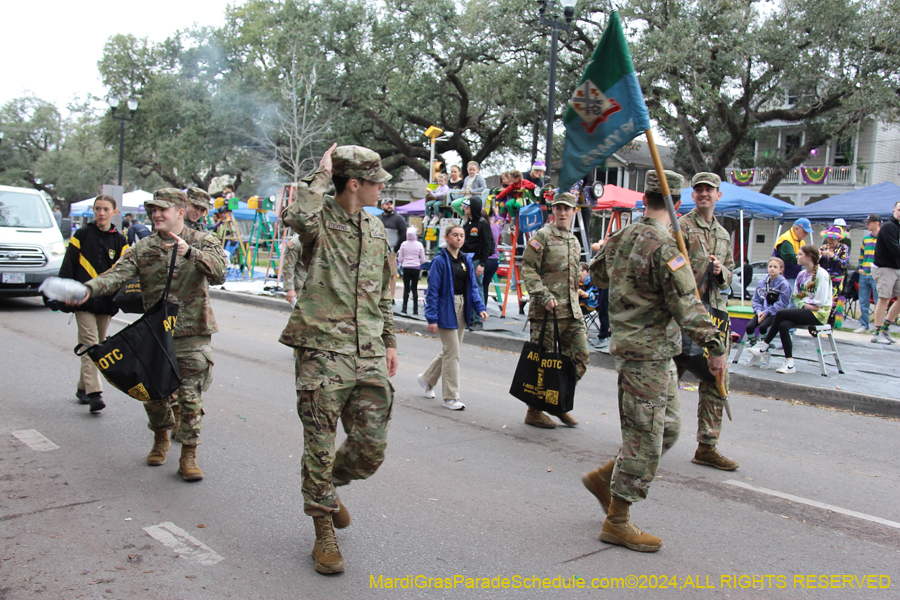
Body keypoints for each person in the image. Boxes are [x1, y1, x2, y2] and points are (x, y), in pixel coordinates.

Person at [582, 170, 726, 553]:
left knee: (669, 429)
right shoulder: (665, 246)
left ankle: (606, 480)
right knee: (645, 439)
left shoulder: (621, 237)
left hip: (657, 354)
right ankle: (617, 520)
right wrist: (715, 347)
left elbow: (597, 275)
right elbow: (688, 306)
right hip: (643, 354)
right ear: (677, 204)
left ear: (645, 199)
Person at [278, 144, 397, 575]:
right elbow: (298, 217)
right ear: (353, 183)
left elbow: (383, 290)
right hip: (322, 350)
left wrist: (389, 340)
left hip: (366, 351)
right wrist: (320, 174)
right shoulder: (320, 220)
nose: (382, 187)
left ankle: (327, 486)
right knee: (320, 444)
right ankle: (323, 531)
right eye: (376, 181)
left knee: (370, 448)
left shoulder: (377, 227)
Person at [72, 188, 228, 481]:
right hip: (157, 333)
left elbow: (221, 273)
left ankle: (189, 454)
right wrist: (87, 290)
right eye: (152, 210)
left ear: (180, 213)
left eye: (162, 210)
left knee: (190, 397)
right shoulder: (143, 248)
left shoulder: (203, 241)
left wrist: (191, 254)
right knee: (153, 394)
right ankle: (160, 437)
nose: (155, 215)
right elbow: (116, 276)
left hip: (193, 332)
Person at [677, 172, 738, 471]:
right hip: (684, 314)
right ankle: (644, 436)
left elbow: (730, 274)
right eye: (699, 190)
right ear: (693, 195)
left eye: (709, 190)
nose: (704, 194)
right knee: (665, 377)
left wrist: (719, 272)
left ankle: (707, 446)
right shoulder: (682, 227)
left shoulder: (724, 235)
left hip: (714, 315)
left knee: (716, 377)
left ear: (718, 195)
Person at [520, 192, 588, 429]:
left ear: (574, 212)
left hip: (571, 312)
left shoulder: (574, 239)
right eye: (558, 208)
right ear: (553, 210)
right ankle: (534, 410)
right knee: (544, 364)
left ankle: (558, 402)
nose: (562, 213)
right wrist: (543, 294)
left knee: (579, 359)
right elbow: (527, 266)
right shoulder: (543, 235)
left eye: (567, 209)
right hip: (546, 313)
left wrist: (578, 292)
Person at [57, 195, 128, 413]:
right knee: (91, 345)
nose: (101, 213)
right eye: (98, 209)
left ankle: (82, 387)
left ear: (114, 212)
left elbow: (125, 272)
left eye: (106, 209)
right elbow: (68, 264)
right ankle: (95, 393)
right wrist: (64, 293)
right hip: (83, 301)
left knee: (98, 345)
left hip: (106, 303)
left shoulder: (120, 240)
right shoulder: (82, 235)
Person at [418, 224, 488, 411]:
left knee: (450, 350)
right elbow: (432, 291)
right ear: (447, 237)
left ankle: (426, 379)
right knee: (453, 353)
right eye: (455, 235)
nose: (459, 239)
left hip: (462, 306)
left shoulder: (466, 260)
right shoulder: (440, 261)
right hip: (445, 308)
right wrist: (432, 318)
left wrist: (479, 307)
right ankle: (450, 397)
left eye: (462, 236)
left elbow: (473, 287)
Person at [749, 245, 832, 373]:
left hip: (819, 315)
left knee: (781, 313)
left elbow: (820, 302)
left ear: (808, 257)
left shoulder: (822, 275)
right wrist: (805, 304)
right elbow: (796, 297)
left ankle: (764, 345)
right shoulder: (801, 275)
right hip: (806, 311)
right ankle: (790, 363)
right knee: (783, 325)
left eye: (800, 254)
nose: (797, 257)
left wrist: (804, 303)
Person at [745, 257, 792, 368]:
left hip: (775, 313)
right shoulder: (762, 283)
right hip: (761, 312)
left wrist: (766, 312)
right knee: (749, 327)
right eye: (770, 266)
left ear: (781, 270)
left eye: (775, 267)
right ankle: (755, 352)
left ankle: (765, 353)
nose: (772, 269)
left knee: (763, 327)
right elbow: (756, 300)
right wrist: (759, 311)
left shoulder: (784, 285)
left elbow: (782, 303)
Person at [460, 196, 493, 331]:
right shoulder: (467, 224)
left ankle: (478, 320)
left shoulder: (482, 223)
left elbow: (487, 244)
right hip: (466, 259)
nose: (464, 208)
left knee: (477, 287)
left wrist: (482, 263)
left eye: (467, 205)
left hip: (477, 260)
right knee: (468, 288)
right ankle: (470, 318)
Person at [870, 201, 900, 344]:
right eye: (899, 209)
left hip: (897, 267)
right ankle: (877, 332)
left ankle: (886, 327)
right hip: (885, 268)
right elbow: (895, 248)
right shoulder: (888, 227)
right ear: (894, 210)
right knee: (884, 298)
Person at [377, 197, 407, 304]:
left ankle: (391, 297)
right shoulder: (378, 218)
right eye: (386, 204)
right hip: (378, 251)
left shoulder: (398, 219)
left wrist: (395, 250)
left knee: (391, 274)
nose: (389, 206)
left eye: (390, 204)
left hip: (391, 251)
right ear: (382, 206)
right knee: (378, 273)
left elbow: (404, 234)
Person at [819, 226, 850, 326]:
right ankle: (822, 322)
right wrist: (819, 255)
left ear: (838, 239)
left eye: (833, 239)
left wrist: (833, 257)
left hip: (837, 280)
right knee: (823, 300)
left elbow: (845, 263)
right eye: (828, 238)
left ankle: (831, 325)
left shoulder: (843, 248)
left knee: (834, 302)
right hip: (824, 278)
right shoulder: (823, 247)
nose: (830, 241)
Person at [854, 214, 881, 333]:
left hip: (877, 274)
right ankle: (864, 325)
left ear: (876, 223)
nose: (867, 225)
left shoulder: (883, 237)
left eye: (869, 222)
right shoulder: (866, 238)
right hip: (864, 273)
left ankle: (878, 327)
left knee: (879, 301)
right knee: (863, 301)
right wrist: (860, 267)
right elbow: (861, 254)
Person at [773, 217, 813, 288]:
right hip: (784, 277)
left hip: (794, 276)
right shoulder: (786, 239)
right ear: (797, 228)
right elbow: (790, 257)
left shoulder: (801, 241)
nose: (806, 234)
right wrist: (808, 260)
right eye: (805, 231)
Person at [397, 226, 426, 314]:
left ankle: (404, 308)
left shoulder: (404, 244)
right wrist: (418, 262)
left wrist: (405, 260)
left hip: (406, 267)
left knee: (406, 288)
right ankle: (415, 310)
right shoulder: (419, 244)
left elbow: (400, 259)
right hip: (416, 268)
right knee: (414, 288)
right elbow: (423, 259)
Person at [281, 234, 306, 306]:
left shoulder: (321, 241)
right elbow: (288, 266)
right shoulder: (295, 243)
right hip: (302, 287)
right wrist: (290, 289)